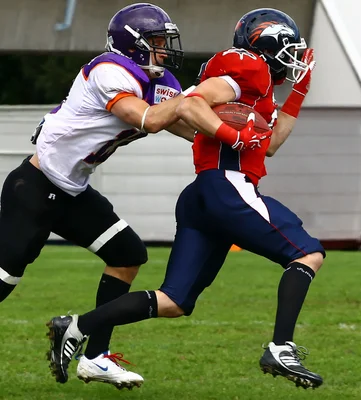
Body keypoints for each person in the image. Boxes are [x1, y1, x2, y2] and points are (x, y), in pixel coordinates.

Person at [46, 8, 325, 389]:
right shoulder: (248, 67)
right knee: (307, 252)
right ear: (266, 45)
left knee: (174, 301)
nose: (294, 60)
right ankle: (281, 347)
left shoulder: (260, 87)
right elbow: (191, 103)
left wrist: (299, 93)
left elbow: (271, 145)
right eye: (289, 50)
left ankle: (77, 327)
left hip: (205, 195)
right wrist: (233, 135)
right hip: (226, 185)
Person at [0, 2, 194, 389]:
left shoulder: (159, 81)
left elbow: (187, 126)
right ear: (133, 44)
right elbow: (151, 119)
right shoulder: (110, 70)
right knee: (4, 278)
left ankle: (95, 358)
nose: (164, 49)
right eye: (156, 41)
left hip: (72, 191)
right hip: (36, 187)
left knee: (127, 255)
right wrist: (196, 97)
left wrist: (233, 133)